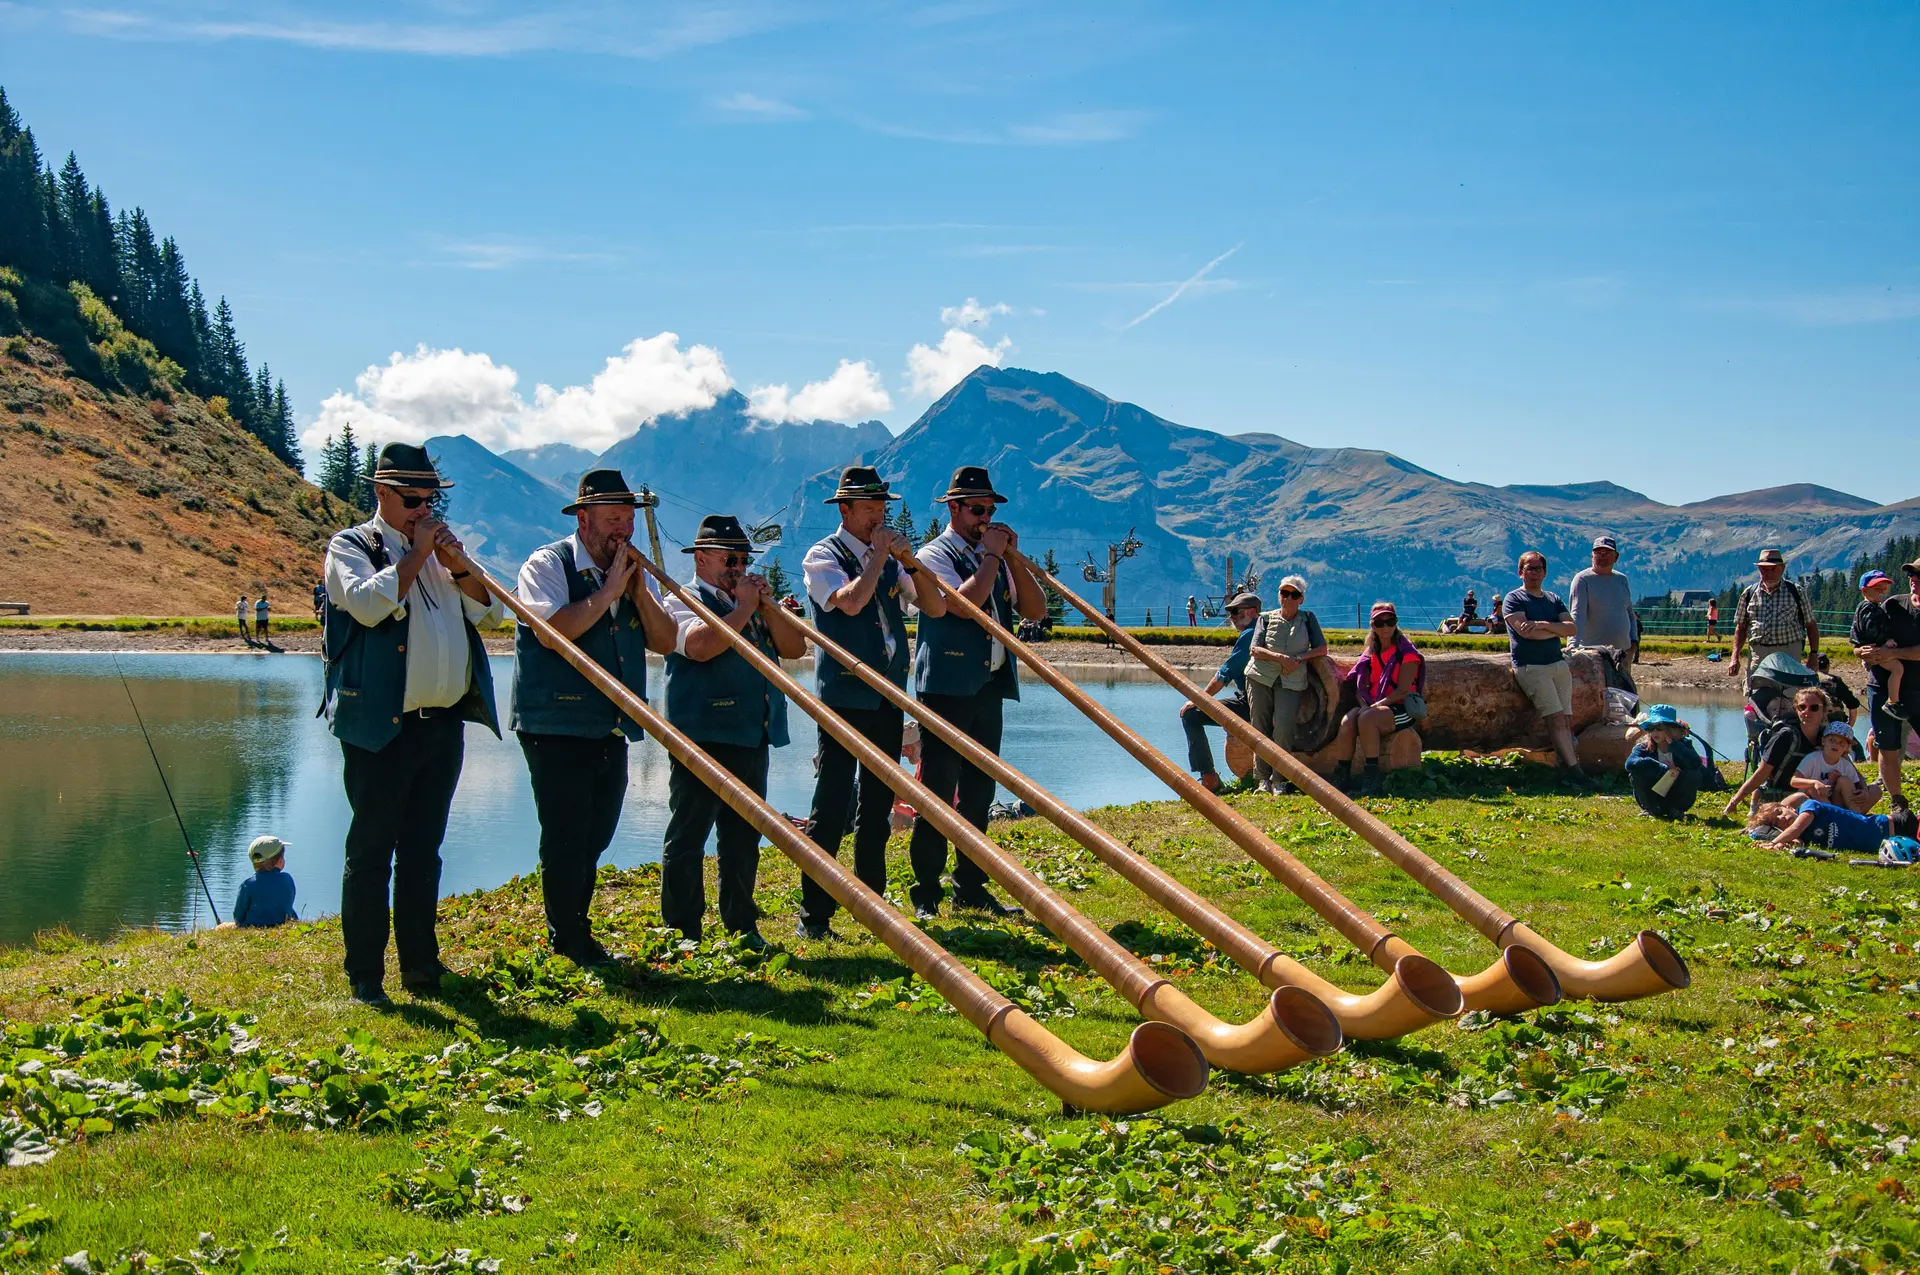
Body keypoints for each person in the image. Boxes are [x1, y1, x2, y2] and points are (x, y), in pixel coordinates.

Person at [321, 442, 502, 1006]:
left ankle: (421, 965)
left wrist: (459, 565)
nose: (425, 510)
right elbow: (367, 605)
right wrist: (419, 554)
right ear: (382, 493)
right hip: (381, 727)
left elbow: (491, 613)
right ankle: (365, 974)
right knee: (371, 851)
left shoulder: (442, 552)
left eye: (431, 501)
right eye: (413, 500)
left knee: (425, 850)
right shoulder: (351, 546)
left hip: (442, 726)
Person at [512, 470, 677, 966]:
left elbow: (665, 641)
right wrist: (607, 593)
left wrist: (639, 593)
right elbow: (550, 632)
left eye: (628, 520)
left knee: (597, 831)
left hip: (610, 723)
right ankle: (569, 937)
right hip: (554, 724)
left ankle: (573, 926)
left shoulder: (631, 573)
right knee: (566, 834)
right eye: (612, 520)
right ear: (583, 519)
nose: (622, 531)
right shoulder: (546, 564)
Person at [795, 466, 947, 941]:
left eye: (881, 508)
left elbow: (936, 607)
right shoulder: (822, 555)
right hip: (843, 697)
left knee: (879, 801)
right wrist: (879, 557)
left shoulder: (891, 558)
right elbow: (851, 602)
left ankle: (873, 905)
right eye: (868, 509)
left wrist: (912, 563)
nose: (877, 517)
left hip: (887, 694)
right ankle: (814, 916)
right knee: (832, 802)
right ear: (844, 510)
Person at [908, 465, 1046, 920]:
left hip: (988, 686)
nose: (985, 518)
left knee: (979, 791)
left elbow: (1035, 610)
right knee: (936, 790)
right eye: (976, 509)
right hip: (946, 689)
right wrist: (991, 558)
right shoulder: (932, 554)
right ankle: (926, 892)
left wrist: (1013, 560)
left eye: (990, 509)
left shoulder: (996, 557)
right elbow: (962, 606)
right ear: (954, 509)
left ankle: (969, 886)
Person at [661, 514, 805, 948]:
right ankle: (682, 930)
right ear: (701, 558)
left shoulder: (750, 602)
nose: (739, 567)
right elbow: (701, 647)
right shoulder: (680, 599)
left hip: (751, 733)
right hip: (701, 736)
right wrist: (743, 607)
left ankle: (742, 926)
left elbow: (795, 648)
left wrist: (768, 607)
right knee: (689, 835)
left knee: (743, 837)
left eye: (744, 560)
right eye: (730, 559)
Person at [1502, 551, 1590, 789]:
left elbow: (1571, 629)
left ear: (1545, 572)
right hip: (1531, 667)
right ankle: (1575, 772)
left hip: (1557, 664)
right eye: (1529, 568)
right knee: (1555, 718)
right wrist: (1555, 630)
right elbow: (1525, 633)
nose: (1534, 573)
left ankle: (1565, 767)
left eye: (1538, 568)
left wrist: (1542, 625)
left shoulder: (1553, 598)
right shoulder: (1514, 598)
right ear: (1521, 572)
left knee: (1566, 719)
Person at [1330, 601, 1425, 796]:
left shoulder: (1407, 653)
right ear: (1372, 626)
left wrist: (1373, 707)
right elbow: (1359, 686)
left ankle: (1372, 774)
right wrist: (1365, 705)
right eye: (1379, 623)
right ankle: (1342, 773)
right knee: (1348, 720)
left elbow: (1403, 691)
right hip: (1373, 705)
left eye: (1390, 622)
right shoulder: (1370, 653)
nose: (1385, 627)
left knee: (1367, 718)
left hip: (1401, 708)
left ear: (1396, 622)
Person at [1245, 575, 1326, 795]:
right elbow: (1254, 649)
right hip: (1260, 677)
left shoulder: (1308, 619)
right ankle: (1262, 780)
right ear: (1279, 595)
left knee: (1284, 728)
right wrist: (1281, 658)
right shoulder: (1265, 618)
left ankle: (1279, 779)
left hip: (1292, 680)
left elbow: (1321, 649)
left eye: (1294, 594)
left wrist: (1298, 659)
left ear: (1301, 599)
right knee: (1260, 727)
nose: (1288, 598)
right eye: (1284, 593)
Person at [1179, 592, 1261, 794]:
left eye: (1236, 611)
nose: (1231, 616)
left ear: (1252, 612)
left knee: (1191, 715)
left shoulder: (1250, 635)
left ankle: (1209, 779)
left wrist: (1200, 699)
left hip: (1252, 703)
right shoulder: (1265, 630)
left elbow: (1224, 674)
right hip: (1261, 700)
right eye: (1230, 612)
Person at [1854, 561, 1920, 810]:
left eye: (1919, 575)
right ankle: (1897, 804)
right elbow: (1863, 636)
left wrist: (1892, 654)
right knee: (1887, 746)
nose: (1913, 578)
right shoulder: (1892, 604)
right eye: (1911, 573)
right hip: (1881, 687)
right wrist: (1861, 651)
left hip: (1917, 689)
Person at [1721, 685, 1832, 818]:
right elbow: (1762, 772)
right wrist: (1734, 801)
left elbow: (1846, 765)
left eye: (1814, 708)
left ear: (1824, 711)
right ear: (1796, 710)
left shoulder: (1829, 737)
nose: (1807, 712)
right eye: (1802, 707)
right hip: (1784, 795)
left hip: (1819, 792)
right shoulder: (1786, 736)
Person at [1729, 548, 1818, 691]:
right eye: (1764, 569)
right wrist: (1735, 657)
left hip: (1789, 653)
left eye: (1773, 569)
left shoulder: (1796, 591)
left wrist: (1813, 655)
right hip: (1759, 654)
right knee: (1758, 696)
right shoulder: (1749, 593)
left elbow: (1811, 625)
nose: (1768, 573)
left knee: (1789, 695)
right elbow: (1741, 628)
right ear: (1759, 569)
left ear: (1782, 569)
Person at [1568, 535, 1637, 686]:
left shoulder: (1622, 580)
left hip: (1623, 653)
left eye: (1607, 553)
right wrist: (1572, 646)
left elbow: (1629, 613)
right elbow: (1577, 614)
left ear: (1616, 557)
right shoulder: (1582, 579)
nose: (1602, 556)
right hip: (1593, 654)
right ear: (1592, 555)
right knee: (1597, 694)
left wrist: (1634, 641)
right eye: (1598, 553)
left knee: (1624, 694)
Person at [1623, 705, 1709, 819]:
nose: (1654, 732)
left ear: (1670, 729)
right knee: (1636, 773)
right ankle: (1650, 809)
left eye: (1659, 728)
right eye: (1651, 728)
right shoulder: (1644, 747)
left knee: (1693, 774)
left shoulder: (1683, 745)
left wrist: (1674, 745)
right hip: (1654, 794)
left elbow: (1696, 763)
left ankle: (1677, 810)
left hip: (1676, 794)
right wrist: (1662, 768)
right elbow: (1630, 764)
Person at [1748, 798, 1915, 853]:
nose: (1782, 818)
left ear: (1789, 807)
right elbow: (1796, 842)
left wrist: (1773, 842)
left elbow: (1796, 828)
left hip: (1897, 825)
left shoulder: (1809, 807)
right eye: (1776, 823)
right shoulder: (1800, 836)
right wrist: (1780, 846)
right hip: (1891, 848)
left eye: (1779, 812)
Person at [1792, 720, 1881, 814]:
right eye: (1832, 740)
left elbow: (1855, 786)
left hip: (1837, 801)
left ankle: (1855, 817)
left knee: (1847, 781)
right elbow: (1794, 781)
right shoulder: (1813, 759)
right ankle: (1837, 816)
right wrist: (1814, 783)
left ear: (1847, 748)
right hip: (1815, 802)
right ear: (1823, 741)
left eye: (1841, 743)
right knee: (1813, 790)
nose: (1836, 744)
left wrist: (1860, 791)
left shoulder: (1845, 765)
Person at [226, 835, 298, 929]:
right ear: (280, 861)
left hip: (251, 927)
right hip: (282, 924)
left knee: (221, 927)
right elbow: (287, 906)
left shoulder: (247, 885)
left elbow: (238, 917)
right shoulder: (288, 879)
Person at [1815, 653, 1861, 729]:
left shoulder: (1808, 679)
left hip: (1814, 724)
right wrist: (1849, 725)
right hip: (1835, 724)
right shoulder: (1835, 680)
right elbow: (1852, 704)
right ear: (1828, 665)